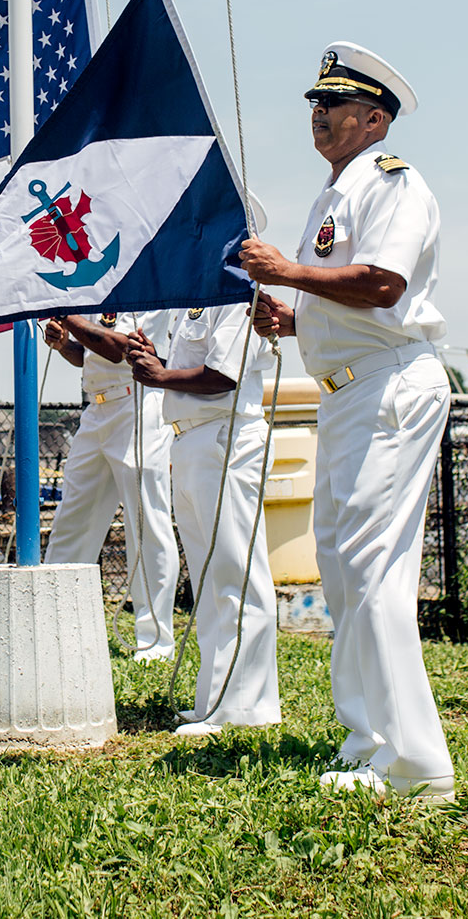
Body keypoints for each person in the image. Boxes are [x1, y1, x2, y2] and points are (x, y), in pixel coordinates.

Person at [238, 41, 456, 802]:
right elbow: (338, 299)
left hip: (390, 387)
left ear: (374, 118)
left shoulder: (393, 181)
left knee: (372, 569)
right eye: (313, 102)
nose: (318, 113)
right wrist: (289, 318)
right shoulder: (332, 196)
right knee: (342, 565)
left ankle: (417, 763)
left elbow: (384, 282)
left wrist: (288, 273)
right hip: (346, 390)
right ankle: (368, 741)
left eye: (332, 104)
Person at [126, 299, 280, 735]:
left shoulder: (233, 291)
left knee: (235, 575)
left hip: (223, 434)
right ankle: (215, 700)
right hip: (192, 438)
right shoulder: (196, 298)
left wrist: (161, 376)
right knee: (210, 582)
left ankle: (244, 707)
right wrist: (156, 361)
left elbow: (223, 375)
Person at [40, 311, 180, 660]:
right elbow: (90, 354)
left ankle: (154, 642)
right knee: (73, 518)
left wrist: (69, 318)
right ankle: (55, 630)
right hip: (97, 406)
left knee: (146, 523)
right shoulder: (96, 292)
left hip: (138, 403)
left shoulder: (148, 287)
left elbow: (123, 350)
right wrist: (64, 345)